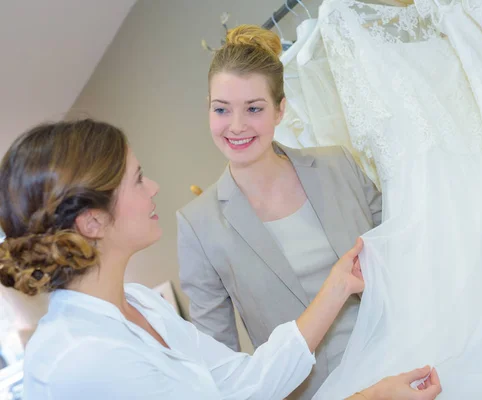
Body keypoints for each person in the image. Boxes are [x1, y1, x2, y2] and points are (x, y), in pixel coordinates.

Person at [0, 119, 441, 399]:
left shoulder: (138, 302)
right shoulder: (83, 360)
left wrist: (338, 285)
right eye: (137, 180)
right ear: (93, 222)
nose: (153, 187)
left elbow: (246, 383)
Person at [177, 25, 381, 399]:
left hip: (400, 360)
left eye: (254, 108)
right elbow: (220, 366)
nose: (236, 126)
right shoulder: (197, 225)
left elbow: (401, 255)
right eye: (222, 109)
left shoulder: (338, 165)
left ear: (280, 110)